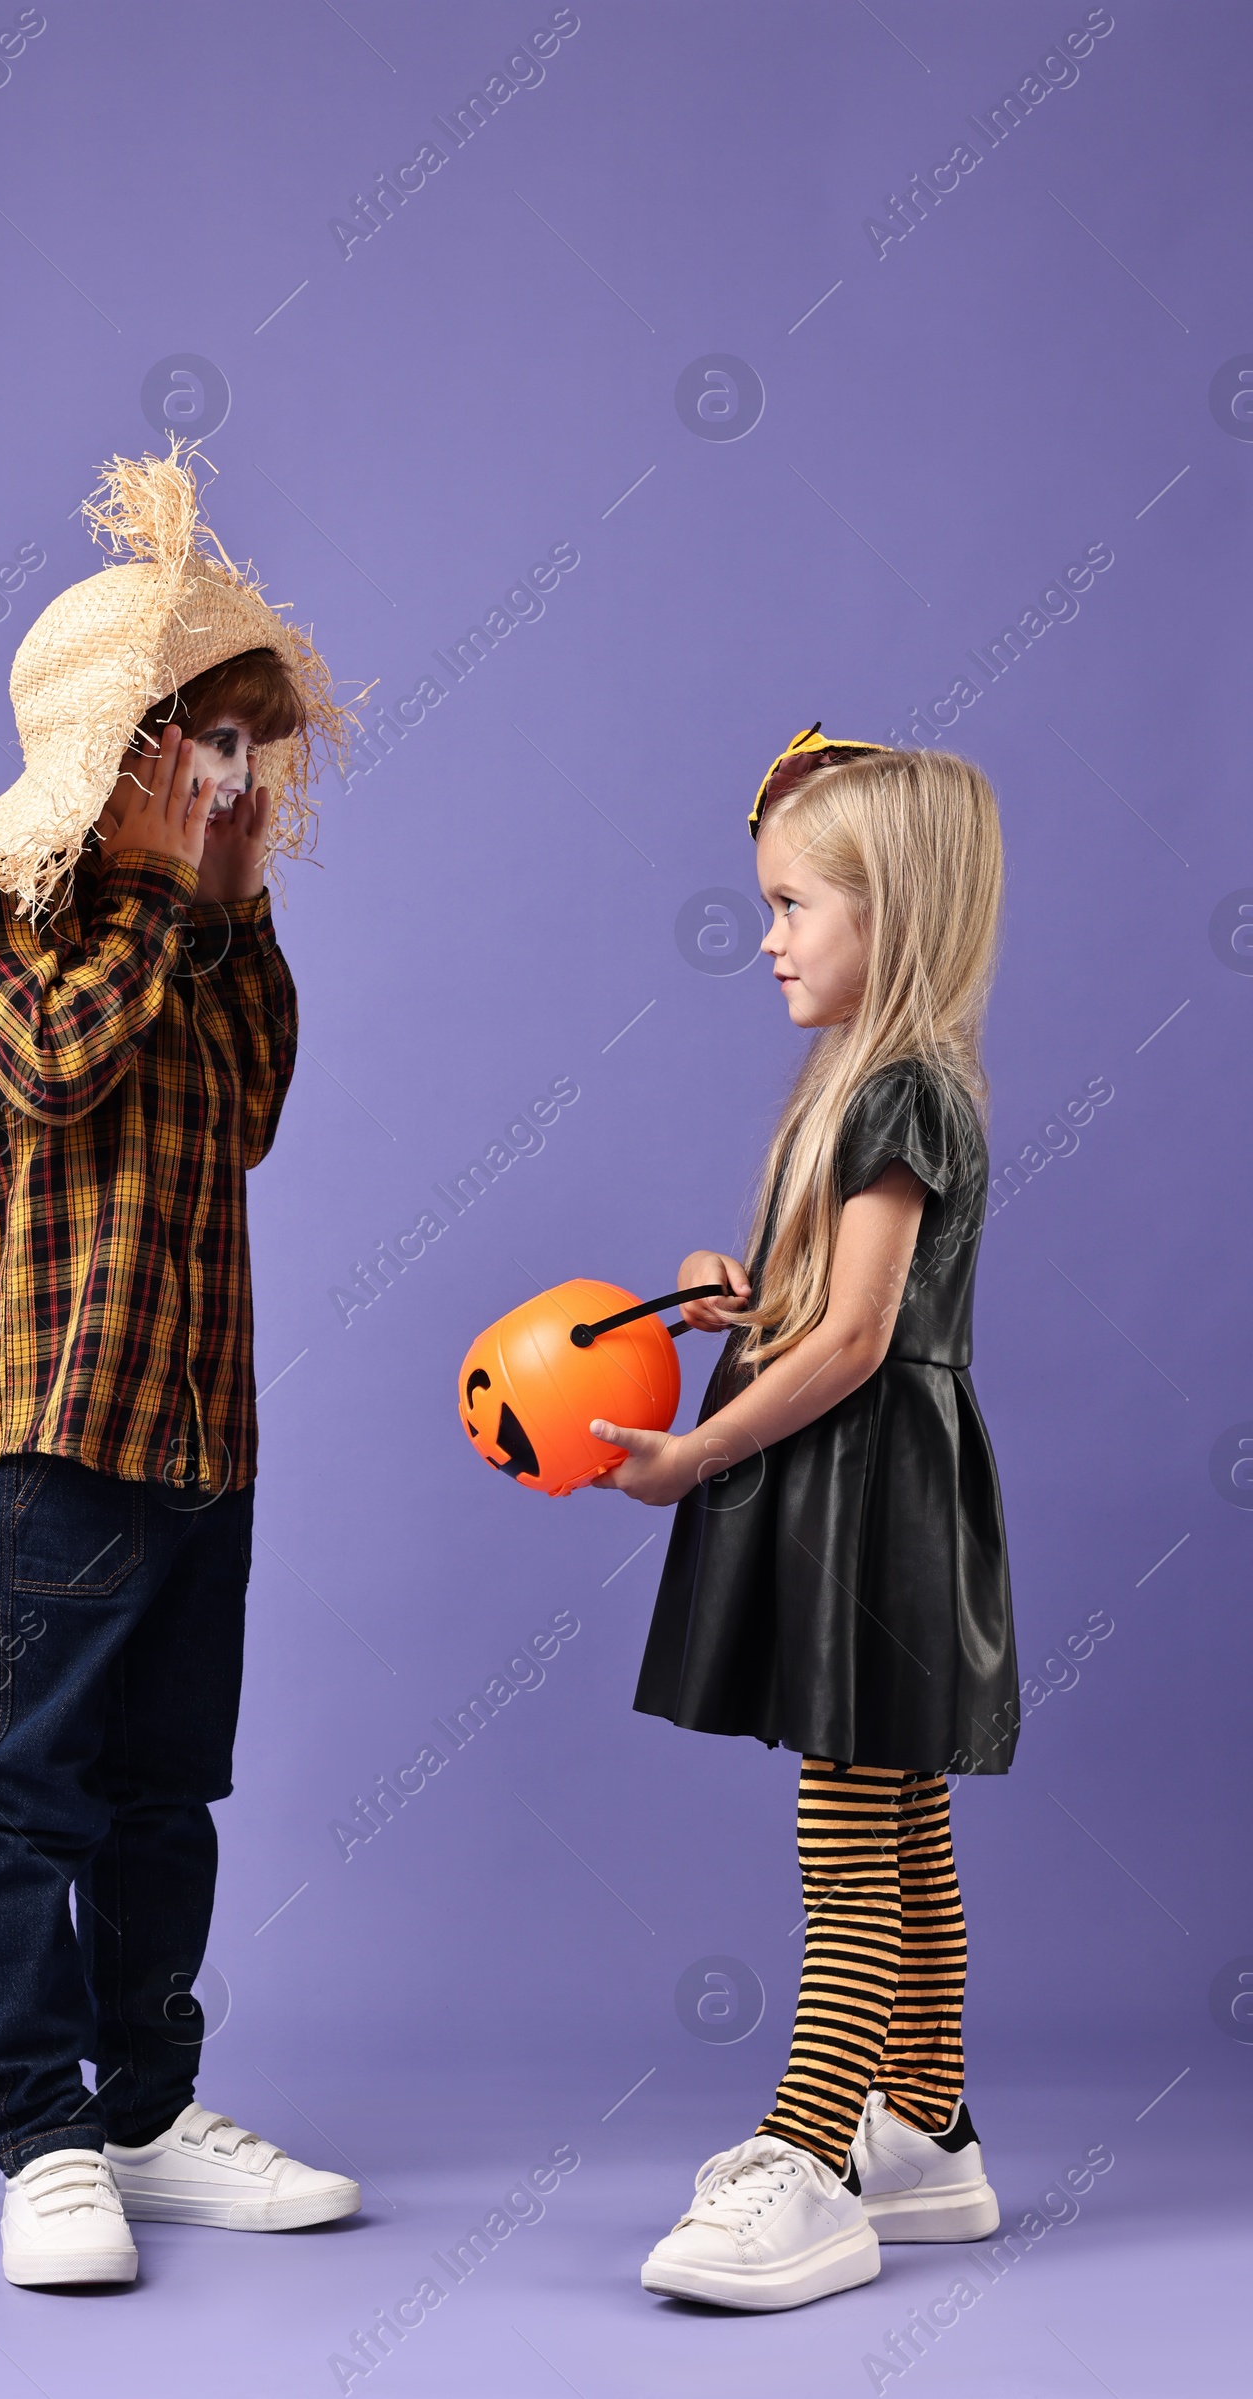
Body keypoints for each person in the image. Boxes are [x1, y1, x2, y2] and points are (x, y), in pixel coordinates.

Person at [0, 445, 359, 2288]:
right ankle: (44, 2139)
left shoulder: (192, 932)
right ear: (121, 745)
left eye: (252, 746)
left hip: (203, 1435)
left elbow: (249, 1114)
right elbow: (62, 1068)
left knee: (169, 1790)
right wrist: (158, 886)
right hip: (56, 1436)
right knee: (26, 1790)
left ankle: (147, 2111)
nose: (234, 778)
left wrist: (231, 904)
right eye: (203, 741)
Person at [589, 728, 1017, 2313]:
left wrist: (691, 1457)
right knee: (900, 1821)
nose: (763, 937)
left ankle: (812, 2153)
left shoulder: (901, 1090)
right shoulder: (872, 1085)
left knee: (850, 1842)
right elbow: (820, 1310)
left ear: (885, 917)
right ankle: (930, 2131)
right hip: (872, 1484)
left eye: (789, 906)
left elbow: (853, 1346)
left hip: (871, 1496)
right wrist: (738, 1299)